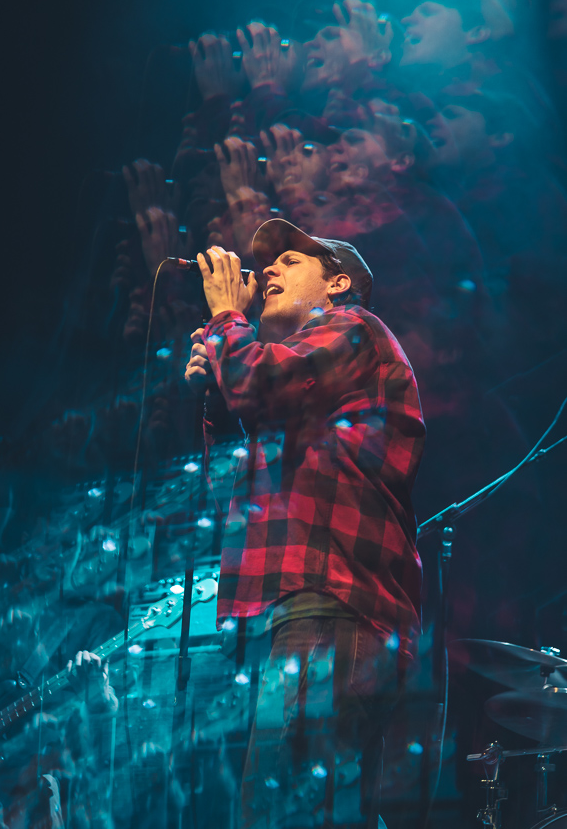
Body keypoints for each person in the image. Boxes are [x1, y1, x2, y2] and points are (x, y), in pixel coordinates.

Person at [184, 220, 425, 829]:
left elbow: (257, 382)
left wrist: (225, 327)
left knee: (281, 807)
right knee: (303, 807)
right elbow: (249, 469)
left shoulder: (355, 329)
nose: (267, 271)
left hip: (332, 600)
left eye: (290, 261)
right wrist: (217, 384)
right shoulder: (312, 380)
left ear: (338, 283)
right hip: (315, 605)